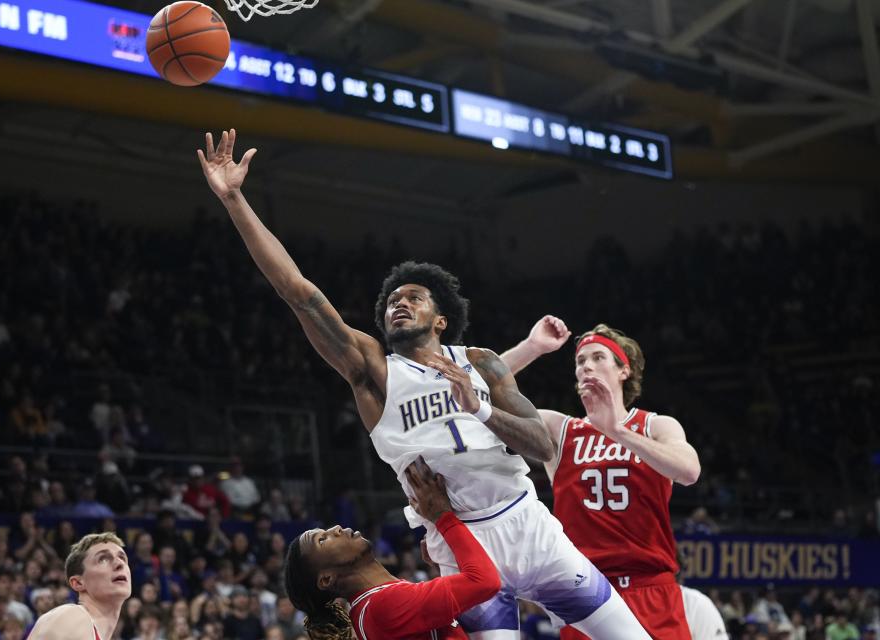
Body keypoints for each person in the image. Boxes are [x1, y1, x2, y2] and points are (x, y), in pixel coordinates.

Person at [198, 129, 649, 639]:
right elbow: (299, 295)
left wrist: (479, 409)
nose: (400, 302)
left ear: (440, 320)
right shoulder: (374, 370)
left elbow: (542, 444)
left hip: (531, 526)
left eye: (414, 297)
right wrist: (234, 199)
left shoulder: (481, 363)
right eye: (393, 300)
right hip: (465, 546)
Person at [500, 317, 701, 639]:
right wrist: (532, 347)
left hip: (651, 586)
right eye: (580, 361)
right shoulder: (560, 429)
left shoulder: (656, 426)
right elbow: (482, 388)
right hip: (588, 593)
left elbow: (689, 472)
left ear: (624, 370)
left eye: (598, 357)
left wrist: (618, 432)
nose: (586, 367)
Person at [284, 457, 500, 640]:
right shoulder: (382, 607)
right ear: (326, 579)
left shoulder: (373, 606)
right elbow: (485, 582)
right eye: (322, 540)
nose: (337, 529)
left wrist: (443, 564)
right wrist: (443, 517)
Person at [27, 532, 132, 640]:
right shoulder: (72, 617)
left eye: (122, 558)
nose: (120, 563)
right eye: (103, 559)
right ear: (78, 583)